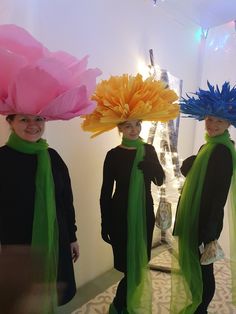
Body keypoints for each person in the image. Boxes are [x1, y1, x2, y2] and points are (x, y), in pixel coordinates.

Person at [0, 24, 101, 313]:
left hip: (54, 240)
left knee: (47, 300)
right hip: (16, 245)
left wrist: (72, 236)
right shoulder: (2, 159)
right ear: (10, 121)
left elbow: (64, 200)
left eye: (39, 119)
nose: (33, 125)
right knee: (20, 303)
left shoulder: (53, 157)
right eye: (24, 119)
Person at [81, 73, 179, 313]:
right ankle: (122, 305)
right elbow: (106, 192)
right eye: (128, 125)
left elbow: (158, 181)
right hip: (119, 215)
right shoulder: (113, 155)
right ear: (120, 128)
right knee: (127, 266)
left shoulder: (148, 150)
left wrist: (153, 166)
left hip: (144, 212)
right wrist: (105, 223)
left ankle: (120, 305)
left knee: (139, 265)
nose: (134, 129)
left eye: (137, 124)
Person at [171, 81, 236, 314]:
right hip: (196, 215)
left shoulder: (222, 150)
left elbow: (219, 194)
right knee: (196, 267)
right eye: (210, 119)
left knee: (204, 269)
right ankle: (199, 305)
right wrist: (193, 161)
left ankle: (201, 309)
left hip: (205, 221)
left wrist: (210, 233)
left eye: (220, 120)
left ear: (229, 123)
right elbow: (192, 173)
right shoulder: (209, 147)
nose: (213, 124)